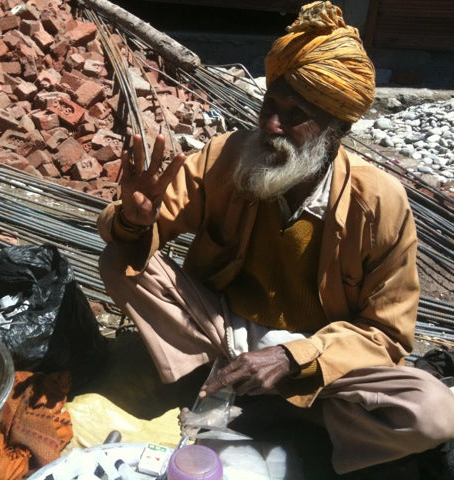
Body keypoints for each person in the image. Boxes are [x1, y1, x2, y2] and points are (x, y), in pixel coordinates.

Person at [97, 1, 454, 476]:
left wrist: (291, 358)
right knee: (119, 260)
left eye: (295, 114)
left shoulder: (380, 203)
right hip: (224, 332)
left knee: (431, 413)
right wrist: (136, 221)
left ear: (337, 128)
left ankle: (297, 407)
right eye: (270, 104)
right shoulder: (227, 158)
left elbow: (387, 333)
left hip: (320, 359)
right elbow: (148, 230)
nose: (271, 125)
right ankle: (220, 381)